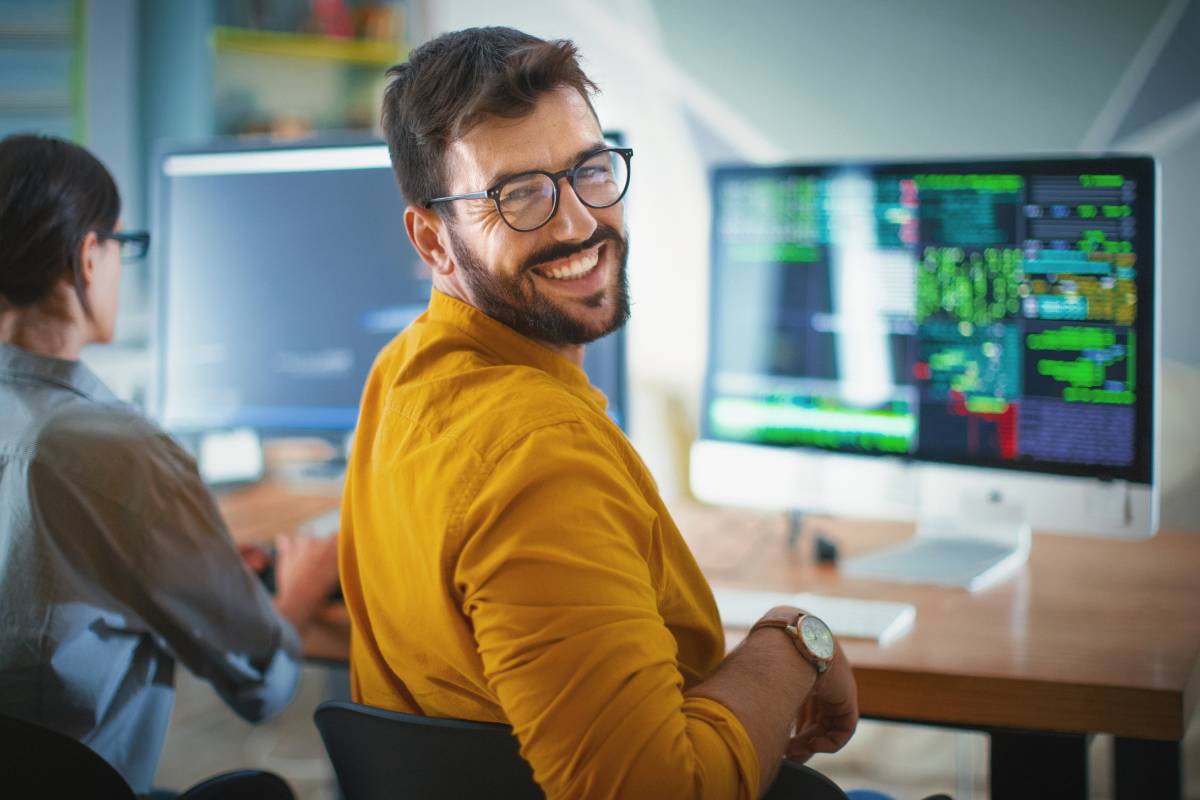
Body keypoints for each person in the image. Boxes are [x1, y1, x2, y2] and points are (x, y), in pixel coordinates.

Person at [339, 27, 859, 799]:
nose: (578, 223)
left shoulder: (406, 372)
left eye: (589, 170)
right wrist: (794, 644)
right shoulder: (540, 455)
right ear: (432, 240)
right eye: (517, 195)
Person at [0, 133, 341, 795]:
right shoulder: (120, 450)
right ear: (87, 257)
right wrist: (297, 588)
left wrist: (196, 559)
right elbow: (259, 685)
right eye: (123, 247)